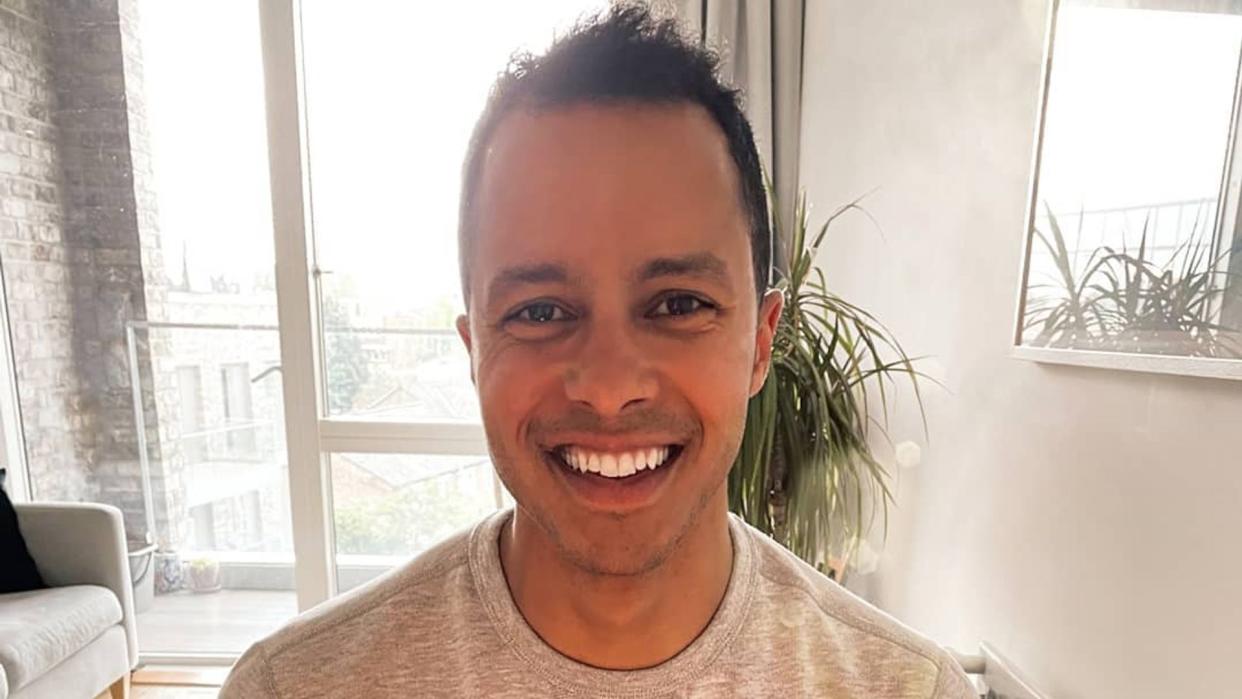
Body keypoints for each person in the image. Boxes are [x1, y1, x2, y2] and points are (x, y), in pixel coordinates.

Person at [221, 5, 975, 697]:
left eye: (680, 304)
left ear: (759, 342)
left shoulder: (905, 686)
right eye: (540, 311)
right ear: (474, 351)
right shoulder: (293, 688)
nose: (610, 387)